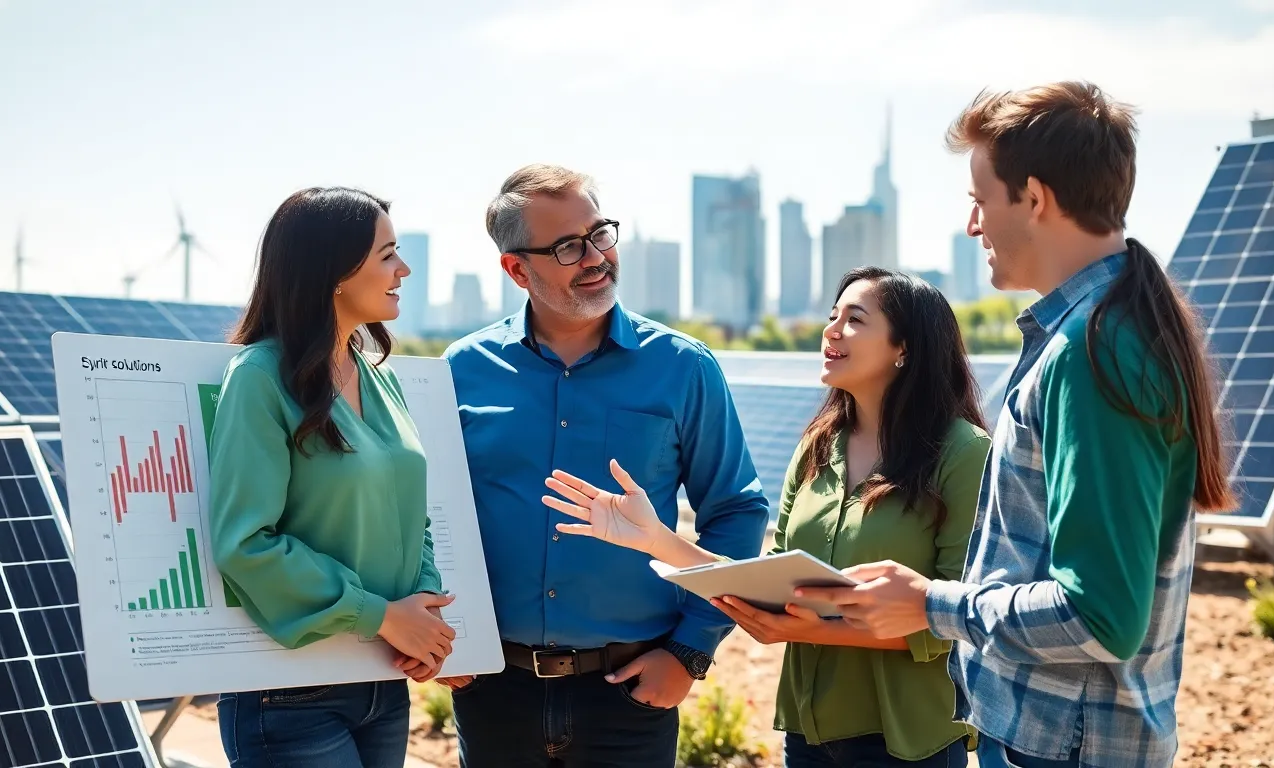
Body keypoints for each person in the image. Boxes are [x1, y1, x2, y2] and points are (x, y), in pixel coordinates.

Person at [793, 81, 1235, 768]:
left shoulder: (1091, 355)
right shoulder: (1100, 335)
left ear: (1034, 199)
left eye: (980, 201)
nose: (974, 226)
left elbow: (1100, 616)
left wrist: (933, 604)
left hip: (1063, 747)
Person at [544, 267, 991, 767]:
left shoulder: (963, 454)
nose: (831, 330)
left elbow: (956, 615)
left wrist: (793, 628)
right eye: (832, 316)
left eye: (855, 319)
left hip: (907, 739)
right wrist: (654, 538)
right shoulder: (818, 447)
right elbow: (771, 580)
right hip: (807, 731)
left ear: (903, 348)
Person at [441, 164, 770, 767]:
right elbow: (427, 515)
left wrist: (690, 651)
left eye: (600, 233)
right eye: (568, 246)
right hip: (493, 690)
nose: (595, 256)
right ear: (518, 269)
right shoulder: (461, 371)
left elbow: (736, 510)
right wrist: (445, 633)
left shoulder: (683, 368)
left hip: (632, 692)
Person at [208, 187, 457, 768]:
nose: (405, 268)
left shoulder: (379, 378)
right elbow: (244, 542)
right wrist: (383, 615)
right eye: (387, 254)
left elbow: (409, 515)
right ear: (335, 272)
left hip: (379, 680)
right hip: (290, 695)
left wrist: (421, 611)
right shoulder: (259, 378)